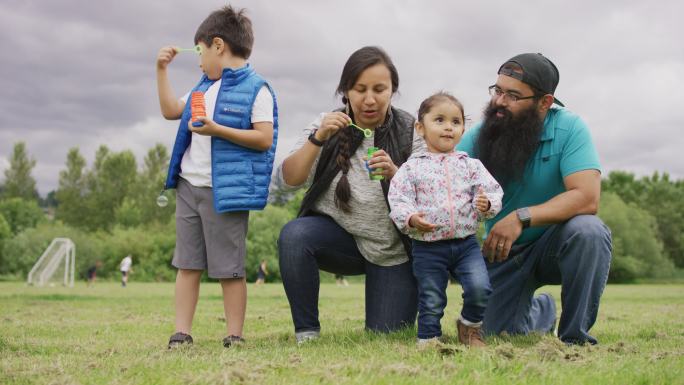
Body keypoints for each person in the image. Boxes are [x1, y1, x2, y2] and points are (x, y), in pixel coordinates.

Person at [456, 53, 612, 345]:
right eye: (498, 90)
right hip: (502, 251)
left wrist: (521, 217)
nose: (500, 102)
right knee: (495, 334)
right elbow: (443, 174)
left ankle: (574, 338)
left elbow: (587, 197)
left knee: (589, 231)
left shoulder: (571, 128)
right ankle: (542, 310)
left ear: (544, 102)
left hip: (555, 245)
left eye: (513, 95)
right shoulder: (481, 134)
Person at [274, 46, 425, 344]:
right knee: (294, 235)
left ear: (392, 90)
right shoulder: (326, 124)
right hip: (338, 241)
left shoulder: (412, 130)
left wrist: (397, 174)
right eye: (360, 89)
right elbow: (288, 180)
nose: (369, 99)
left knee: (386, 338)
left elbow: (431, 200)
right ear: (346, 91)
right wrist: (317, 138)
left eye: (379, 89)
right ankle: (307, 333)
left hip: (392, 252)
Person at [156, 5, 278, 349]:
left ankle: (234, 335)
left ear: (218, 45)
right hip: (187, 187)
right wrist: (161, 70)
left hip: (226, 192)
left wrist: (216, 129)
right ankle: (181, 333)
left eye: (200, 51)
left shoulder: (258, 89)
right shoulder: (202, 87)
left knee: (230, 269)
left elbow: (264, 138)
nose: (198, 61)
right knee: (187, 263)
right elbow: (169, 111)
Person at [388, 92, 503, 347]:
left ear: (463, 128)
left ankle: (470, 326)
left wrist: (488, 204)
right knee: (431, 295)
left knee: (480, 288)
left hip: (466, 244)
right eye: (439, 120)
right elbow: (398, 199)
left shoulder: (470, 165)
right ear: (421, 127)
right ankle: (429, 338)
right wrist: (410, 218)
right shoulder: (411, 168)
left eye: (455, 121)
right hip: (428, 246)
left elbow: (493, 191)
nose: (448, 127)